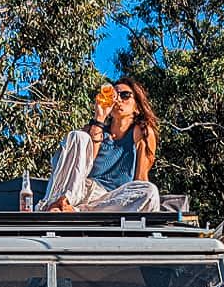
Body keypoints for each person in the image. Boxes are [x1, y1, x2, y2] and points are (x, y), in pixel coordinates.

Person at [39, 77, 160, 212]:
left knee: (150, 191)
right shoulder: (94, 130)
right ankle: (60, 202)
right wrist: (99, 118)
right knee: (78, 136)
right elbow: (85, 164)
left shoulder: (142, 133)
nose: (118, 100)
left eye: (125, 95)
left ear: (137, 106)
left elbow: (141, 179)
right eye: (114, 95)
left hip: (110, 199)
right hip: (79, 190)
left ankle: (77, 211)